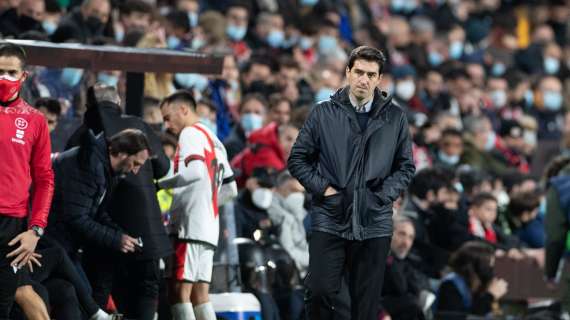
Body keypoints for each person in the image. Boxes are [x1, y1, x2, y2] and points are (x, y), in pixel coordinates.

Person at [288, 46, 415, 320]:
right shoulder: (322, 113)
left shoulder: (395, 118)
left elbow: (405, 167)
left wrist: (380, 197)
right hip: (330, 218)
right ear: (347, 72)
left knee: (365, 305)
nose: (364, 79)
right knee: (319, 291)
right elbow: (297, 159)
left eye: (371, 74)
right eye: (358, 72)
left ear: (379, 79)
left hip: (374, 223)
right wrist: (326, 191)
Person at [65, 83, 172, 320]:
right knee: (145, 295)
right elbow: (163, 168)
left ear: (88, 107)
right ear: (118, 104)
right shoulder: (139, 126)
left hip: (103, 236)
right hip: (147, 235)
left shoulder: (82, 134)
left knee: (98, 299)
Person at [158, 90, 238, 320]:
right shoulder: (213, 139)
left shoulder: (189, 133)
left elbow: (194, 172)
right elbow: (231, 189)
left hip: (189, 225)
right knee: (200, 295)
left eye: (167, 117)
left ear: (183, 110)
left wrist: (160, 184)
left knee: (178, 292)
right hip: (208, 225)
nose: (166, 124)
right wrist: (206, 204)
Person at [46, 128, 150, 295]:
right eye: (136, 164)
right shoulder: (88, 165)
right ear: (123, 154)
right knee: (80, 298)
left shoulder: (104, 168)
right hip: (47, 240)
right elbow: (76, 217)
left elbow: (96, 213)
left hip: (62, 242)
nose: (135, 171)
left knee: (80, 297)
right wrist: (116, 239)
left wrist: (121, 235)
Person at [0, 42, 54, 320]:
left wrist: (36, 230)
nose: (4, 78)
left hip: (10, 227)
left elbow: (45, 179)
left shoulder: (35, 120)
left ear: (24, 76)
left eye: (10, 72)